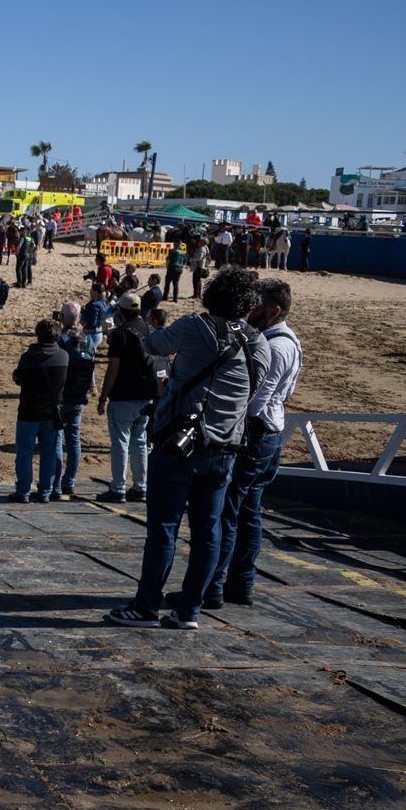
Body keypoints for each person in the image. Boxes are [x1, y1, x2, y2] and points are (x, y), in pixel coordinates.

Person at [106, 268, 268, 630]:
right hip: (225, 445)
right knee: (208, 531)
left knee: (164, 526)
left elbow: (153, 345)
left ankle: (147, 606)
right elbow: (253, 392)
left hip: (181, 441)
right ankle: (189, 610)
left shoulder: (197, 327)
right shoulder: (258, 342)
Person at [206, 278, 302, 608]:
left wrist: (231, 421)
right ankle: (240, 583)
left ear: (273, 311)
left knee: (229, 512)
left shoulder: (274, 346)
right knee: (248, 513)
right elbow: (285, 393)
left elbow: (258, 398)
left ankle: (215, 585)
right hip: (270, 433)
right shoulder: (290, 341)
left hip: (257, 435)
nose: (250, 313)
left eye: (256, 308)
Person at [95, 294, 158, 502]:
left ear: (120, 311)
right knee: (140, 442)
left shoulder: (120, 334)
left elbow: (113, 369)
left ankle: (118, 487)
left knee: (120, 442)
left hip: (124, 395)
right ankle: (141, 486)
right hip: (147, 395)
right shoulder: (151, 330)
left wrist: (103, 396)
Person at [11, 319, 68, 502]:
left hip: (29, 409)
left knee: (24, 453)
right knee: (49, 453)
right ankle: (45, 491)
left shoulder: (29, 357)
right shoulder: (63, 356)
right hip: (52, 411)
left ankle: (23, 491)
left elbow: (20, 378)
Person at [56, 306, 95, 499]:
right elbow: (91, 364)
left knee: (56, 437)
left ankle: (55, 481)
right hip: (79, 393)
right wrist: (92, 386)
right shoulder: (87, 338)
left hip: (62, 394)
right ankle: (69, 481)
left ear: (63, 317)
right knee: (74, 439)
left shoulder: (60, 338)